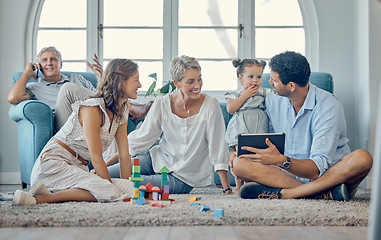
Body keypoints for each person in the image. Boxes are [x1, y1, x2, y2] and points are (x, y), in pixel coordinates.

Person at [230, 51, 373, 201]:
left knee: (363, 158)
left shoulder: (328, 106)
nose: (270, 83)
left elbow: (316, 169)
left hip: (328, 174)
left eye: (274, 80)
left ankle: (287, 193)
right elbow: (260, 134)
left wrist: (281, 160)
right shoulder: (272, 99)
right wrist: (233, 151)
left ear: (291, 86)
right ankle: (321, 193)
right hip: (286, 173)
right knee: (239, 162)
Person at [12, 58, 142, 205]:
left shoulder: (122, 110)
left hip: (76, 168)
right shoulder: (92, 108)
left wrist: (125, 193)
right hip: (53, 165)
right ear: (121, 81)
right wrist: (110, 189)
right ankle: (39, 199)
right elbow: (96, 157)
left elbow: (124, 155)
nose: (140, 85)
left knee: (131, 189)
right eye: (136, 80)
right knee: (110, 191)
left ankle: (51, 192)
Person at [107, 55, 233, 195]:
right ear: (177, 83)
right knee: (104, 174)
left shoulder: (210, 105)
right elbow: (140, 140)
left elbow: (218, 147)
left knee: (128, 184)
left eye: (199, 79)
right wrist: (107, 164)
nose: (197, 85)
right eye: (190, 81)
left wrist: (227, 189)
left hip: (182, 178)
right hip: (155, 159)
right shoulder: (162, 103)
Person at [7, 46, 97, 131]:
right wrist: (27, 73)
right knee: (67, 88)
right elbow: (12, 98)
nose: (49, 63)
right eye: (44, 60)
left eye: (53, 59)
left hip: (89, 118)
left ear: (60, 64)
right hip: (64, 127)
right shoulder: (34, 87)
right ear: (39, 66)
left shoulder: (77, 78)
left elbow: (99, 99)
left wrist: (101, 77)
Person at [224, 58, 271, 193]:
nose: (255, 80)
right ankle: (239, 186)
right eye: (250, 77)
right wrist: (245, 95)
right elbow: (231, 108)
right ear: (241, 78)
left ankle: (254, 182)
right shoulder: (236, 93)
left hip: (259, 126)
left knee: (257, 156)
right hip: (242, 127)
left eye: (259, 77)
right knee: (242, 154)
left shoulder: (262, 91)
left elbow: (277, 95)